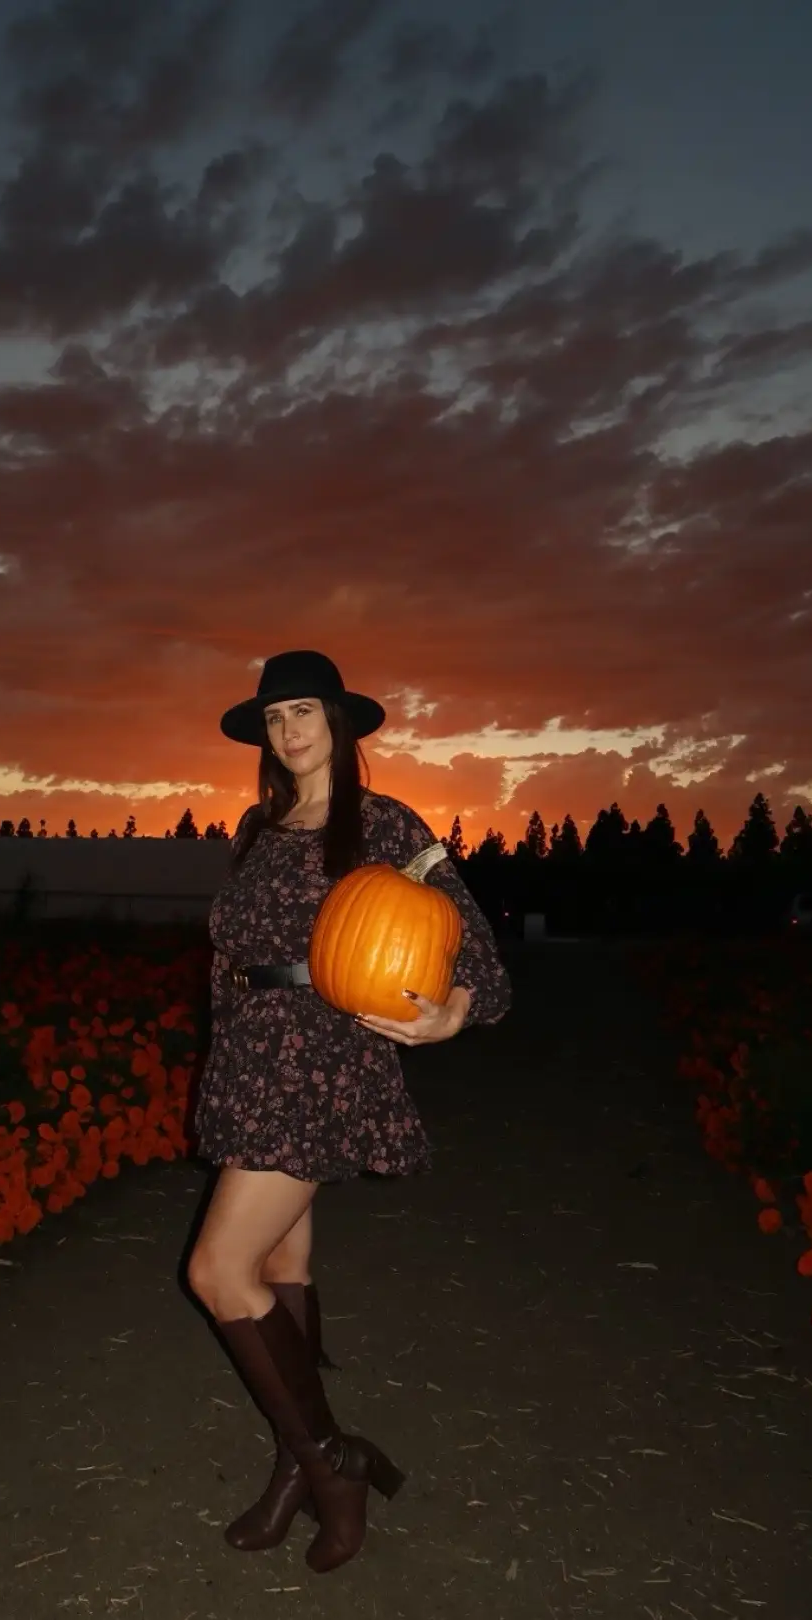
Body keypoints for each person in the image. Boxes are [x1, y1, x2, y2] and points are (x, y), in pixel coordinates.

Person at [188, 650, 511, 1574]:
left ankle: (336, 1466)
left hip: (323, 1062)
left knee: (218, 1271)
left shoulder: (386, 825)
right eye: (274, 717)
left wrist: (450, 1014)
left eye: (303, 712)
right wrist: (220, 1066)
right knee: (281, 1261)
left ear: (340, 722)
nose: (288, 732)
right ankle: (296, 1466)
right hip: (252, 1060)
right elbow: (231, 958)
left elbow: (479, 962)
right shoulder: (258, 827)